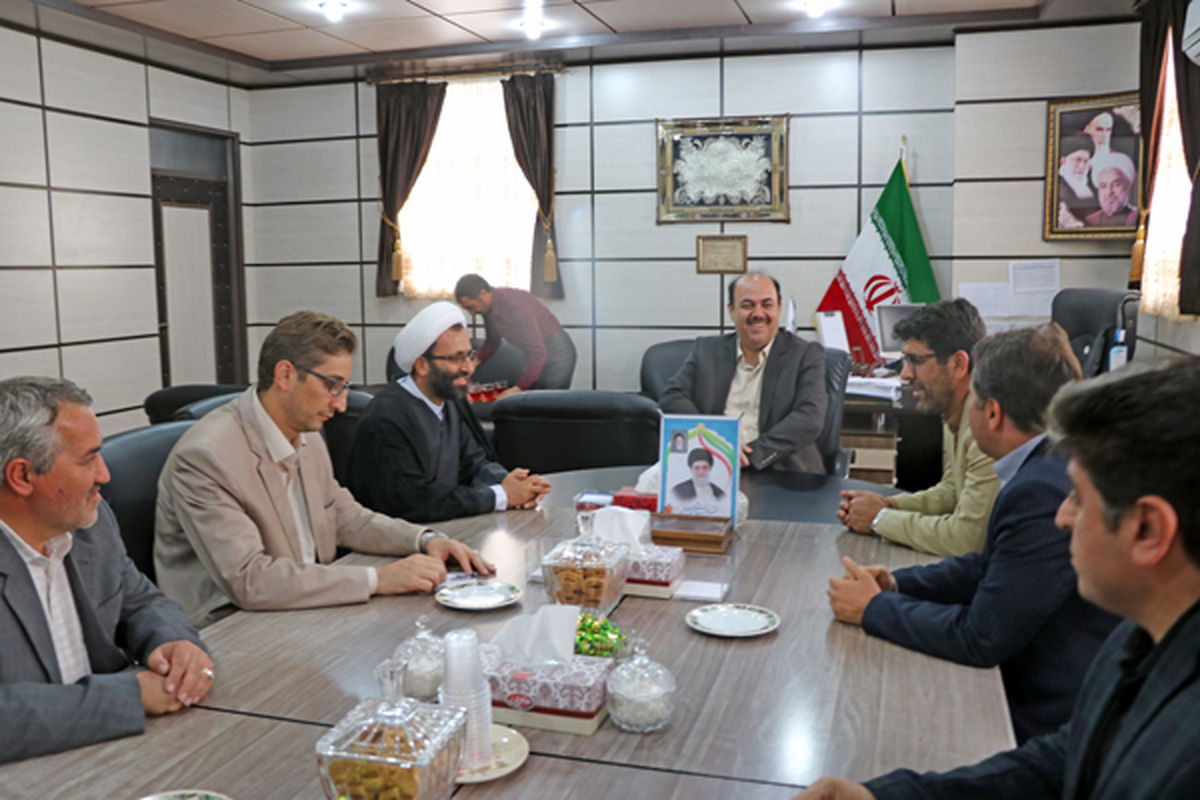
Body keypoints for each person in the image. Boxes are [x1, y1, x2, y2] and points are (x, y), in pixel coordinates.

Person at [795, 356, 1200, 800]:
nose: (1061, 518)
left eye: (1079, 499)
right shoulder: (1136, 640)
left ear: (1147, 530)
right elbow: (1064, 758)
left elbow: (983, 635)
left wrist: (876, 608)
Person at [826, 327, 1119, 743]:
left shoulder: (1039, 489)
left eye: (974, 402)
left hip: (1040, 721)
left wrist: (874, 610)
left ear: (993, 413)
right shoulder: (1049, 463)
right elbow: (989, 566)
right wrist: (897, 583)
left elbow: (980, 636)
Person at [155, 311, 493, 627]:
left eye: (344, 387)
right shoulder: (206, 457)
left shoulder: (306, 430)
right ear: (285, 375)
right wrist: (379, 579)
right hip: (235, 630)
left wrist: (424, 540)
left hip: (307, 608)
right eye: (332, 385)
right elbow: (251, 580)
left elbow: (345, 516)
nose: (342, 403)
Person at [0, 377, 213, 763]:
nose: (105, 474)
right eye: (88, 458)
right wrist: (127, 697)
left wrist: (174, 644)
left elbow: (140, 600)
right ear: (22, 476)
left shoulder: (89, 523)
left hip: (112, 756)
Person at [346, 302, 551, 524]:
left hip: (445, 531)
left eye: (469, 355)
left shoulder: (450, 401)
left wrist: (513, 485)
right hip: (395, 546)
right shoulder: (386, 417)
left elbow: (475, 464)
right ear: (422, 365)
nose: (469, 368)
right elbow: (413, 501)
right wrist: (500, 496)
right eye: (456, 358)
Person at [839, 299, 1000, 557]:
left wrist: (879, 519)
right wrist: (889, 504)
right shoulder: (956, 407)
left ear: (958, 364)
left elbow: (967, 540)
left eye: (915, 360)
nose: (905, 374)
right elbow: (952, 491)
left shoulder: (988, 425)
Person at [659, 272, 828, 474]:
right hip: (713, 466)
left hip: (782, 472)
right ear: (731, 310)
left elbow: (810, 418)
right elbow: (672, 396)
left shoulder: (806, 354)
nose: (758, 313)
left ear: (779, 308)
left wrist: (751, 455)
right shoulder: (706, 350)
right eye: (748, 305)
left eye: (767, 305)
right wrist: (714, 440)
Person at [453, 273, 576, 391]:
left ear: (483, 294)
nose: (471, 313)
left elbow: (539, 353)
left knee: (546, 404)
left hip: (556, 353)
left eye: (471, 307)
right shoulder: (488, 307)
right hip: (535, 354)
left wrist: (518, 388)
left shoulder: (515, 306)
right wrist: (473, 363)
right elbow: (492, 341)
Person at [1084, 150, 1138, 227]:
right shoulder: (1090, 221)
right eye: (1103, 186)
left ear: (1128, 186)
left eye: (1116, 185)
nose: (1109, 192)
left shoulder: (1137, 218)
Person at [668, 447, 727, 515]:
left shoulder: (720, 493)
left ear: (710, 468)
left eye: (704, 468)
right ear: (691, 469)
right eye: (697, 468)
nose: (701, 472)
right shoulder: (678, 491)